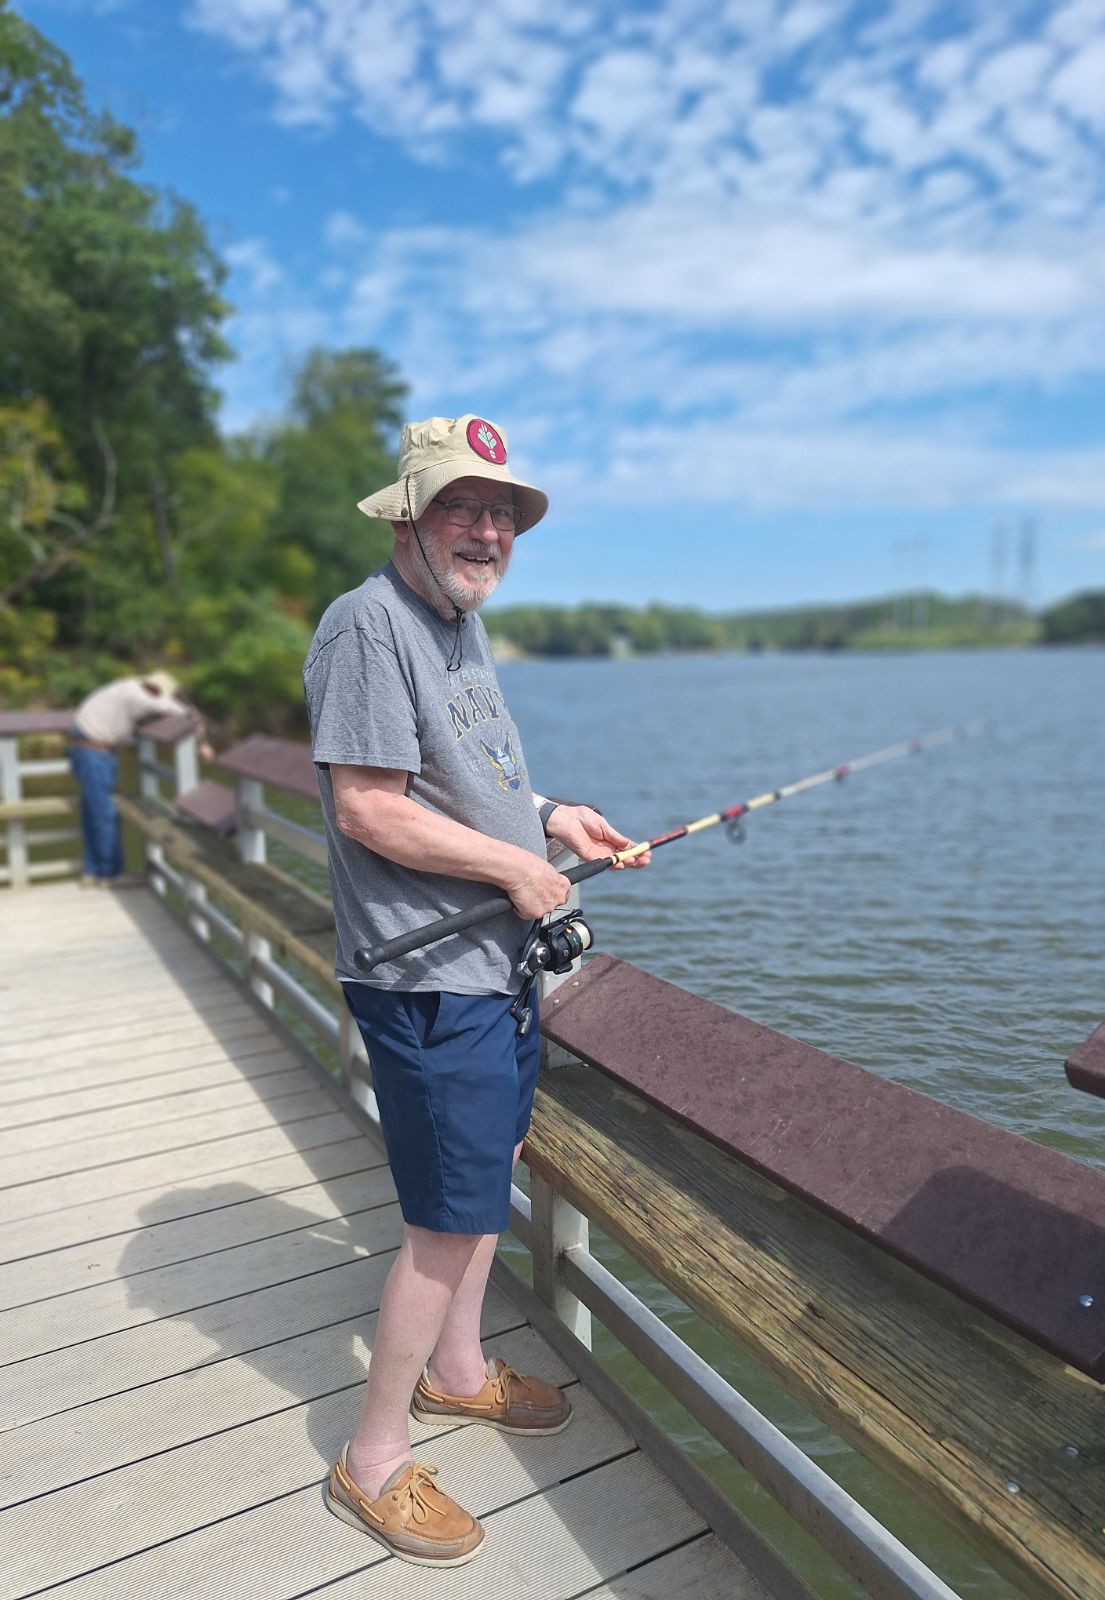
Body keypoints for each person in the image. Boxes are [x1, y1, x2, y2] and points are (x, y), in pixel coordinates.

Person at [303, 412, 648, 1568]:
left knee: (488, 1171)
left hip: (490, 969)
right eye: (464, 506)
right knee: (447, 1223)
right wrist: (516, 869)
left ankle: (457, 1373)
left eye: (504, 514)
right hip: (424, 973)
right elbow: (368, 806)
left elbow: (471, 780)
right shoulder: (369, 624)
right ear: (407, 515)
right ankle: (374, 1459)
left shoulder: (458, 627)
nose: (488, 529)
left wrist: (551, 818)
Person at [69, 671, 213, 887]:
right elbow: (163, 707)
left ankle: (93, 871)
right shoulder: (135, 695)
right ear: (155, 691)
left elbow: (152, 709)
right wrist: (192, 715)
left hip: (91, 751)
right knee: (104, 814)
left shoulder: (127, 688)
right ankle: (110, 875)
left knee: (95, 812)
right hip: (94, 754)